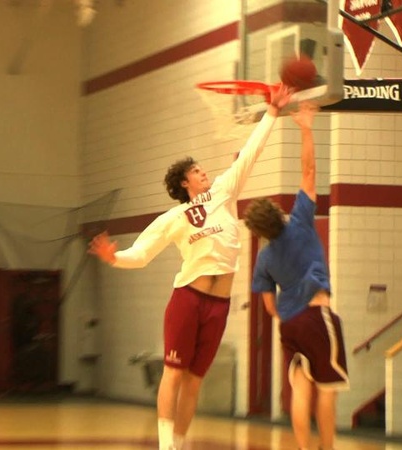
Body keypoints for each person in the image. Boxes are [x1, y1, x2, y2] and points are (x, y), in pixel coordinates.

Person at [89, 85, 293, 450]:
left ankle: (180, 444)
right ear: (185, 183)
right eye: (197, 171)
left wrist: (273, 113)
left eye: (202, 169)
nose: (204, 172)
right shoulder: (173, 217)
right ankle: (166, 445)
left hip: (219, 305)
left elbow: (251, 153)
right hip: (188, 299)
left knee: (195, 381)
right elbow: (141, 254)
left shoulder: (224, 192)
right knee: (174, 372)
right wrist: (114, 258)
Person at [243, 103, 349, 450]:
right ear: (277, 211)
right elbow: (309, 170)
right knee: (327, 392)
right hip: (317, 316)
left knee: (300, 391)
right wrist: (305, 127)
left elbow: (269, 307)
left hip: (290, 326)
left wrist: (290, 309)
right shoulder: (301, 220)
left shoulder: (263, 258)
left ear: (259, 231)